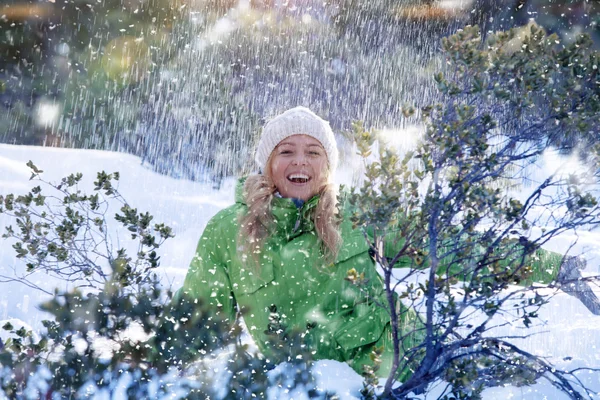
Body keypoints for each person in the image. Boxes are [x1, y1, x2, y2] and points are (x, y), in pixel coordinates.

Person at [177, 106, 600, 381]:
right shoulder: (227, 231)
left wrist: (552, 267)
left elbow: (450, 247)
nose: (300, 162)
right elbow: (192, 325)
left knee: (534, 381)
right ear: (267, 163)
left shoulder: (359, 214)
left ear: (328, 165)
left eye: (314, 152)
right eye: (286, 151)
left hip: (413, 368)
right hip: (305, 387)